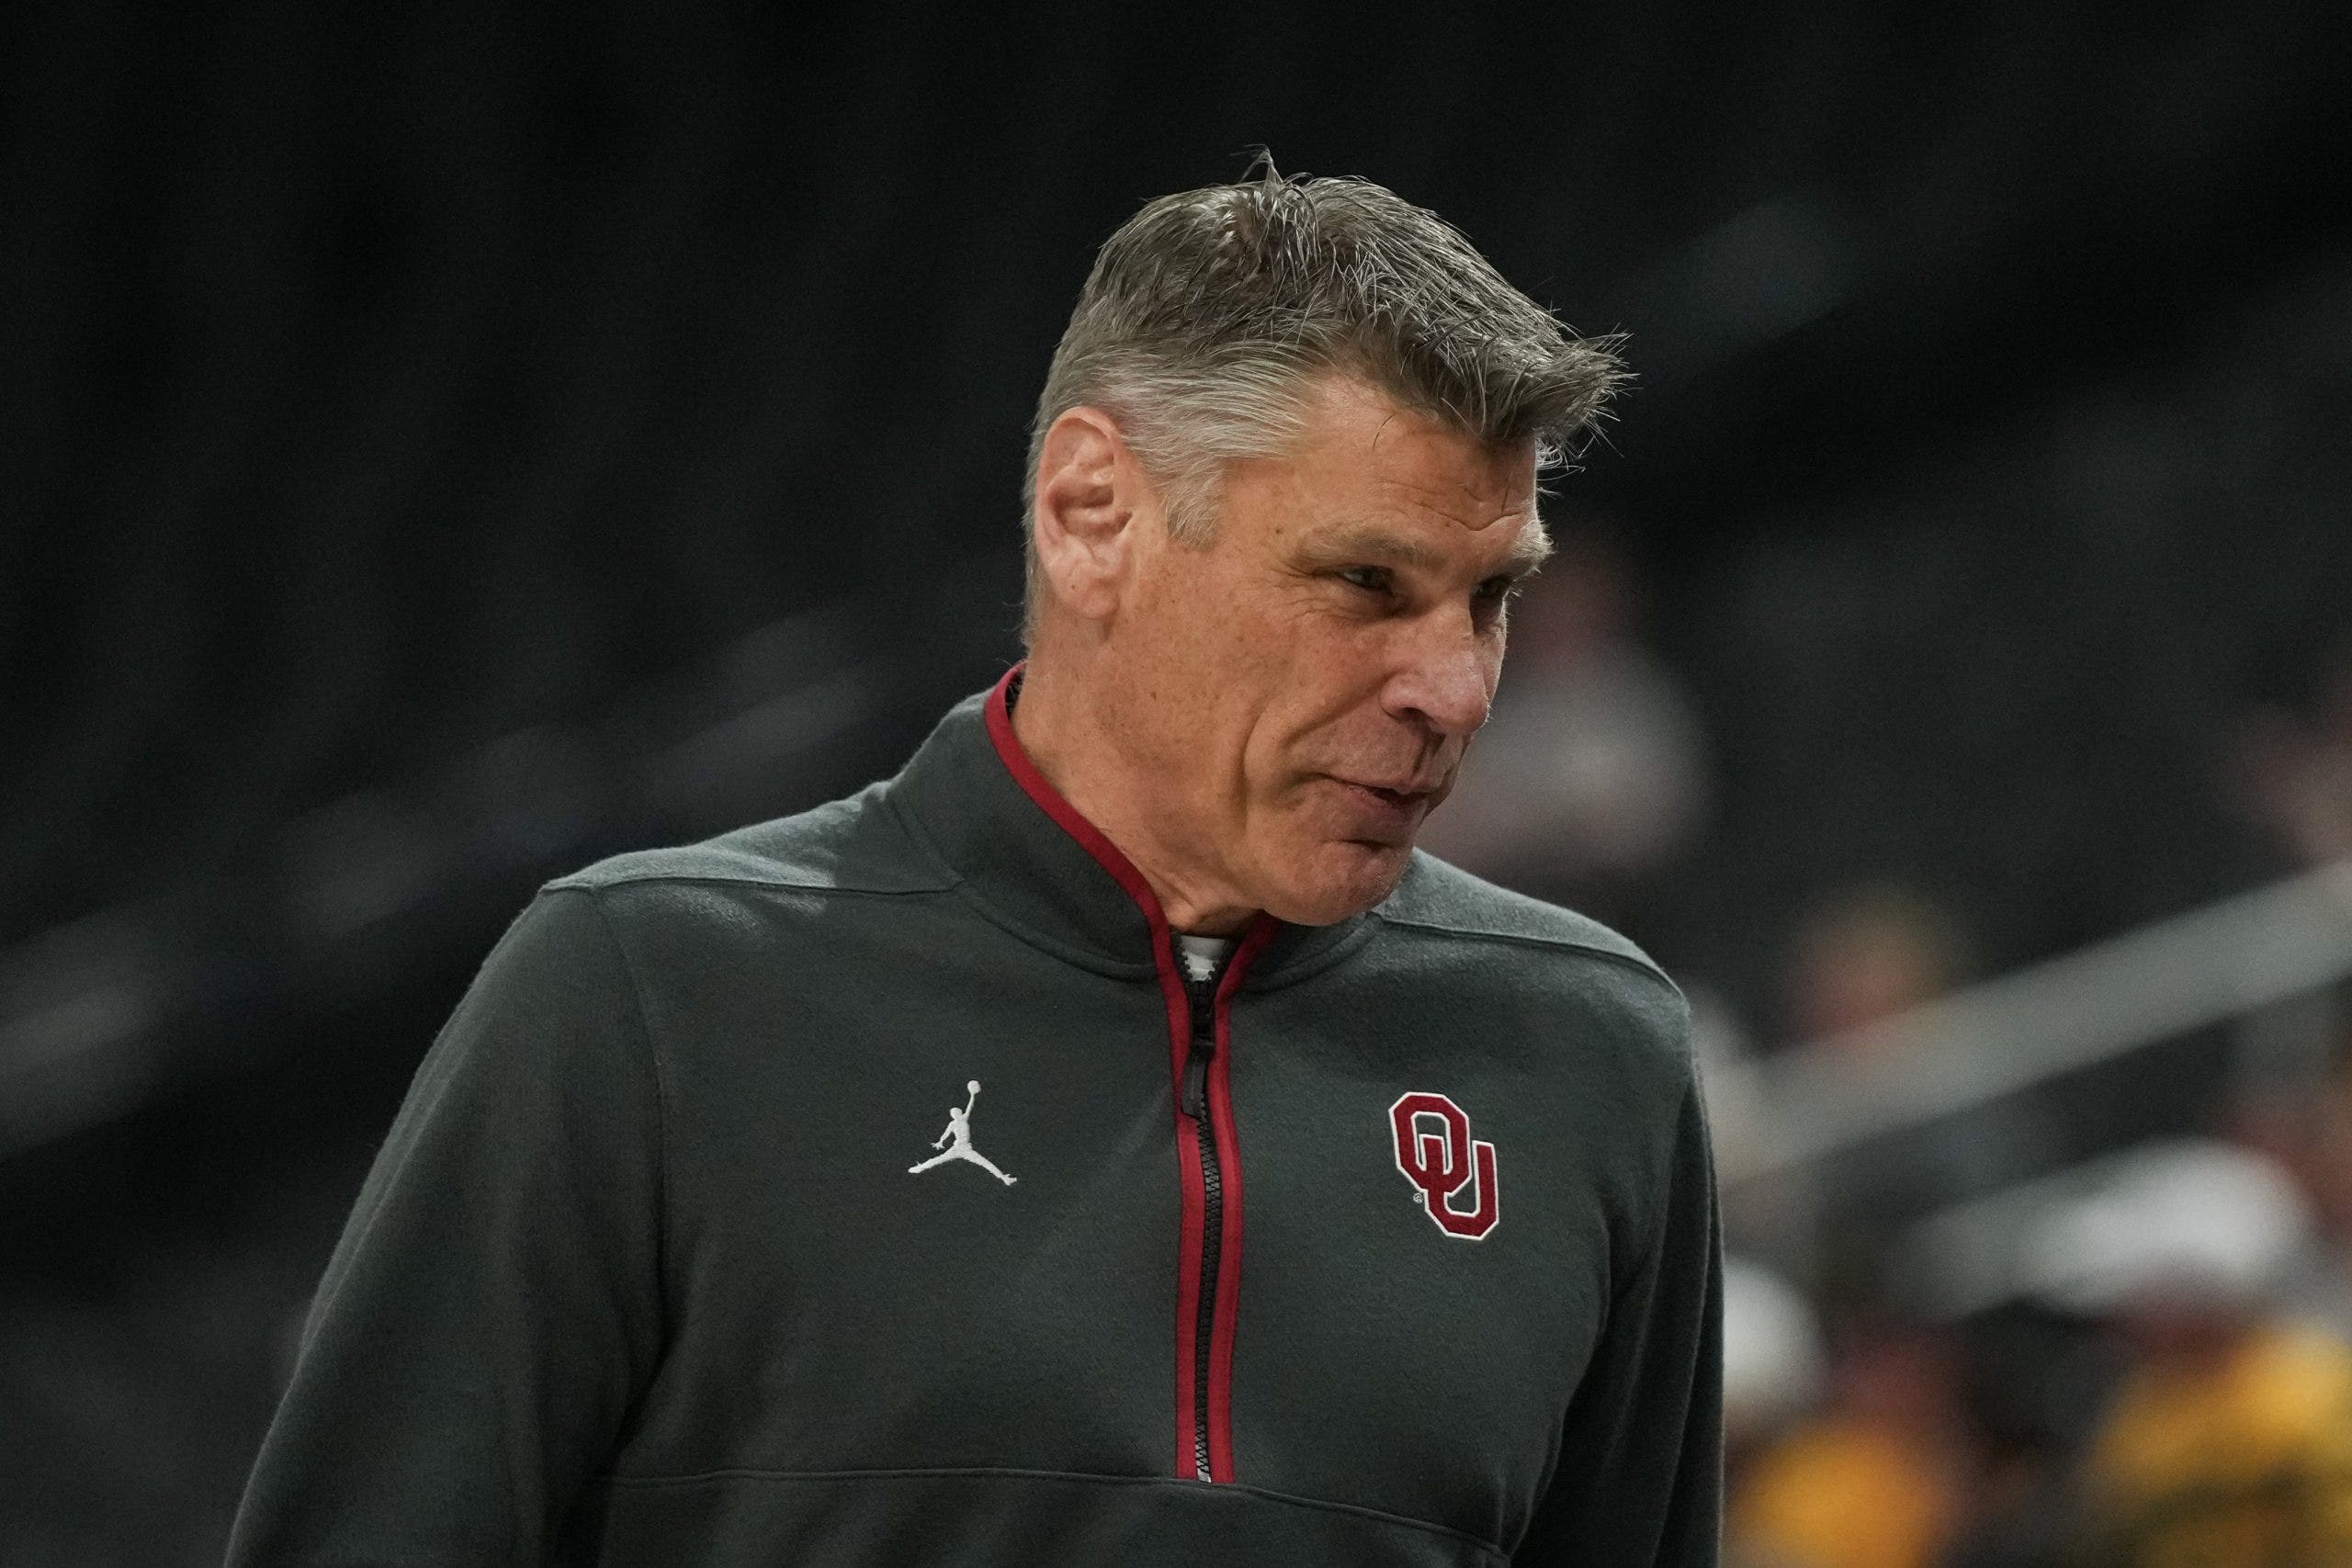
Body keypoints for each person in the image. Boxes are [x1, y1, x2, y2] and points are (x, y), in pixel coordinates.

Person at [227, 164, 1722, 1566]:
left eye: (1489, 598)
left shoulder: (1593, 1056)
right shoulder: (645, 996)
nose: (1453, 689)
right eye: (1366, 583)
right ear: (1092, 516)